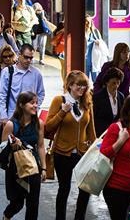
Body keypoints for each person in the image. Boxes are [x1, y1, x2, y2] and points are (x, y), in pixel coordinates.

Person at [45, 70, 97, 220]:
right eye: (78, 85)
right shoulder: (59, 100)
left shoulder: (87, 102)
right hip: (62, 152)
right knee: (64, 188)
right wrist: (62, 112)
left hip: (82, 152)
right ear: (69, 85)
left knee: (85, 189)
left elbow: (91, 130)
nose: (82, 89)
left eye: (84, 86)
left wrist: (95, 150)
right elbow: (48, 127)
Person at [1, 91, 47, 220]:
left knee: (33, 204)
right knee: (17, 203)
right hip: (15, 169)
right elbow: (2, 150)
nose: (35, 106)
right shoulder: (11, 125)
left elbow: (41, 146)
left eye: (36, 103)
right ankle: (6, 216)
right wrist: (13, 146)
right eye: (32, 103)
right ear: (21, 105)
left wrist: (44, 168)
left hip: (33, 167)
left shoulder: (39, 124)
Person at [0, 44, 45, 127]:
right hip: (11, 117)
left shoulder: (37, 74)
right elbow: (2, 96)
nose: (28, 60)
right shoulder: (7, 72)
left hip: (30, 119)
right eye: (26, 57)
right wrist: (3, 116)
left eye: (31, 58)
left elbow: (41, 94)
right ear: (19, 55)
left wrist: (35, 108)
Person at [0, 45, 17, 134]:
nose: (7, 58)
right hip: (0, 97)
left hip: (13, 97)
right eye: (5, 56)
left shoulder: (16, 66)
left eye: (10, 56)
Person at [93, 67, 125, 137]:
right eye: (113, 83)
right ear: (107, 82)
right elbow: (93, 118)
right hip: (101, 134)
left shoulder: (121, 96)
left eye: (118, 83)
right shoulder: (97, 97)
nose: (116, 86)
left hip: (117, 134)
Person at [84, 15, 102, 82]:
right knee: (85, 80)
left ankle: (96, 92)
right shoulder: (81, 32)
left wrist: (98, 43)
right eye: (85, 21)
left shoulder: (95, 32)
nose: (87, 23)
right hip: (85, 60)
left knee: (96, 80)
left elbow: (102, 44)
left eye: (88, 22)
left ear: (91, 22)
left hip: (94, 59)